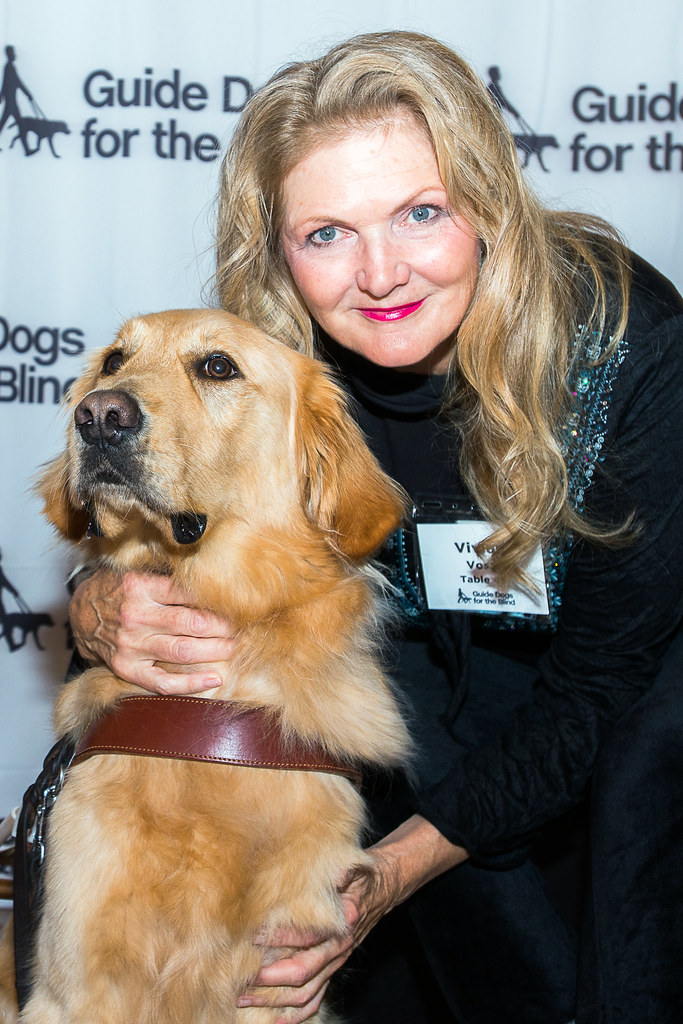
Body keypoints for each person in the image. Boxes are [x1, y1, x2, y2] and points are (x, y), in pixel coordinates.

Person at [68, 30, 683, 1024]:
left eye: (419, 213)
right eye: (326, 234)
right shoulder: (270, 358)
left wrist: (383, 878)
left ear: (486, 204)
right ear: (276, 250)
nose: (380, 274)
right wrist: (99, 603)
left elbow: (597, 689)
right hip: (397, 730)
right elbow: (163, 530)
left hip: (610, 746)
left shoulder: (627, 346)